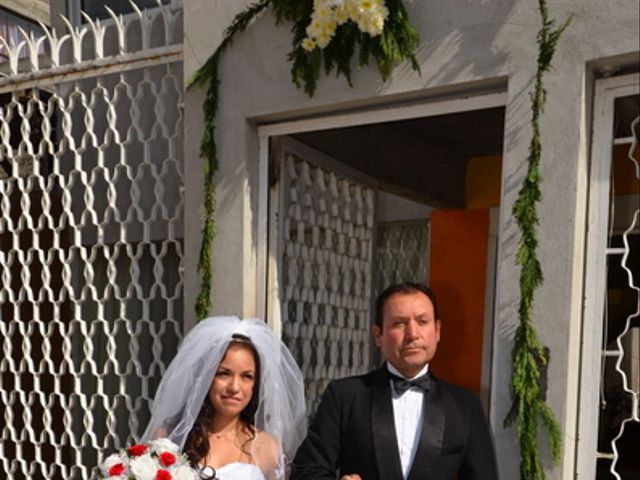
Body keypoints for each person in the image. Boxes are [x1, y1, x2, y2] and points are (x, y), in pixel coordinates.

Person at [291, 282, 499, 480]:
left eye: (422, 322)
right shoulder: (345, 396)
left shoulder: (465, 406)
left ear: (437, 331)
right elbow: (306, 472)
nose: (412, 334)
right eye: (399, 323)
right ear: (378, 334)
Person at [142, 316, 307, 480]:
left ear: (255, 384)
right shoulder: (170, 437)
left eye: (246, 376)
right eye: (224, 374)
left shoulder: (268, 447)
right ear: (206, 377)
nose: (234, 387)